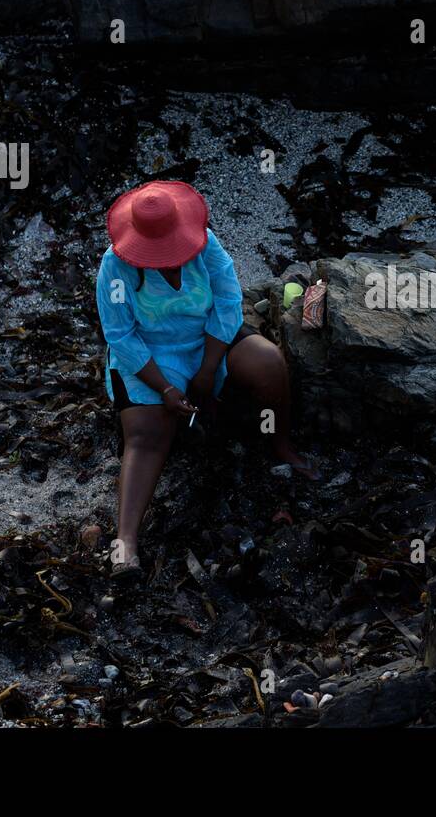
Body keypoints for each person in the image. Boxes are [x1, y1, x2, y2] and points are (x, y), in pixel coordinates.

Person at [95, 180, 317, 580]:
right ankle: (125, 541)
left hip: (206, 338)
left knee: (268, 362)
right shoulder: (115, 266)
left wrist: (208, 369)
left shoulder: (206, 243)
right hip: (150, 353)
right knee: (147, 435)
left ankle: (281, 444)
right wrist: (164, 387)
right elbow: (120, 334)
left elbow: (229, 301)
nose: (167, 260)